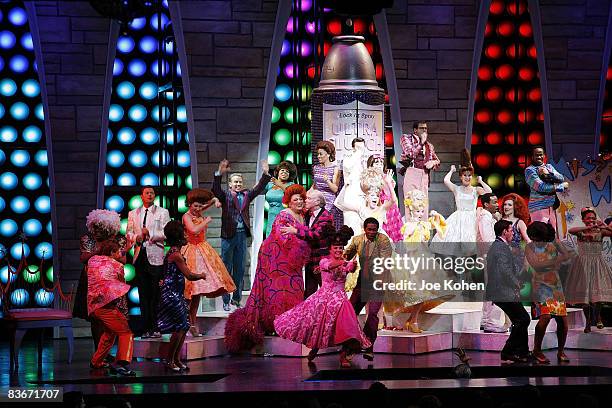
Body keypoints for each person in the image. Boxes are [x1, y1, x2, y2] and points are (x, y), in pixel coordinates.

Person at [224, 185, 311, 352]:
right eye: (295, 199)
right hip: (274, 258)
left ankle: (289, 324)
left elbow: (300, 236)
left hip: (292, 261)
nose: (299, 201)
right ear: (288, 202)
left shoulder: (301, 216)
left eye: (301, 199)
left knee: (294, 290)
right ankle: (277, 324)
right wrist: (300, 235)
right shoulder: (284, 215)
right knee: (278, 292)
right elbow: (282, 237)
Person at [274, 226, 371, 368]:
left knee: (348, 327)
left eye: (340, 248)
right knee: (320, 327)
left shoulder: (344, 262)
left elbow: (349, 268)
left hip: (341, 300)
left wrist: (352, 267)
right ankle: (315, 348)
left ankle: (344, 355)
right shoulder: (324, 261)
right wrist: (346, 263)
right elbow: (332, 265)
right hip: (324, 300)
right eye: (335, 248)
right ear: (330, 249)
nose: (338, 250)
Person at [383, 190, 451, 333]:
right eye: (418, 211)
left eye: (422, 211)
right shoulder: (408, 226)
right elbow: (404, 243)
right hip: (413, 260)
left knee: (426, 292)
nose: (420, 213)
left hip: (426, 260)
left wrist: (437, 216)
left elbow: (442, 233)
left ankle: (412, 320)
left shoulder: (425, 224)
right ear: (411, 211)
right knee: (417, 293)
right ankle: (411, 320)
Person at [213, 159, 272, 311]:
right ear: (230, 184)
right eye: (235, 182)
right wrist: (219, 172)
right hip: (228, 236)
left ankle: (236, 299)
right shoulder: (225, 195)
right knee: (227, 268)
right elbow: (215, 189)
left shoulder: (247, 195)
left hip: (241, 236)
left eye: (240, 182)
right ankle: (225, 300)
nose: (238, 184)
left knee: (239, 269)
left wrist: (265, 173)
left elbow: (259, 188)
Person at [182, 188, 236, 335]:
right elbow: (193, 230)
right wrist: (206, 221)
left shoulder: (198, 211)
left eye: (200, 206)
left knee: (197, 293)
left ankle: (192, 325)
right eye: (195, 206)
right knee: (190, 293)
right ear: (189, 204)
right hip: (191, 251)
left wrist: (214, 200)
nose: (198, 209)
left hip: (202, 250)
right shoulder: (186, 216)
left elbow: (208, 203)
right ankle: (186, 325)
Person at [74, 209, 128, 351]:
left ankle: (106, 352)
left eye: (100, 228)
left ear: (109, 228)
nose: (96, 231)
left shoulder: (119, 240)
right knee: (96, 318)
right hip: (93, 283)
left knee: (112, 318)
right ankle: (98, 352)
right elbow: (84, 258)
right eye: (95, 227)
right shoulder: (88, 239)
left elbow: (123, 260)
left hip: (112, 283)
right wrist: (101, 250)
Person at [158, 221, 206, 372]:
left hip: (176, 293)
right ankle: (169, 360)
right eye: (184, 233)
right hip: (171, 295)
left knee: (184, 326)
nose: (186, 235)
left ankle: (176, 359)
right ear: (178, 236)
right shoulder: (176, 255)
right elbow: (189, 275)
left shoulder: (175, 252)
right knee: (179, 327)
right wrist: (202, 275)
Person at [344, 217, 393, 361]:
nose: (372, 232)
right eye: (369, 229)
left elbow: (384, 260)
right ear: (364, 229)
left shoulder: (383, 240)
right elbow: (346, 254)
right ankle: (352, 345)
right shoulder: (358, 240)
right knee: (350, 312)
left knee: (372, 314)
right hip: (362, 282)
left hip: (378, 281)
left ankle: (368, 346)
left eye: (374, 230)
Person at [429, 149, 492, 257]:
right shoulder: (456, 189)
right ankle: (460, 271)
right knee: (457, 247)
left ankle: (471, 270)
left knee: (471, 247)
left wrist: (481, 181)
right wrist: (451, 171)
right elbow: (446, 181)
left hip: (472, 219)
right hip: (458, 219)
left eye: (469, 175)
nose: (467, 177)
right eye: (465, 175)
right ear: (461, 177)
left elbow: (489, 192)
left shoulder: (475, 190)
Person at [126, 186, 170, 338]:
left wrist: (150, 233)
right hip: (140, 256)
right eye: (147, 193)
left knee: (155, 294)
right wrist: (136, 238)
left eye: (152, 193)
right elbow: (129, 233)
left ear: (154, 196)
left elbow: (166, 233)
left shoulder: (162, 212)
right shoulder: (133, 213)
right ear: (141, 196)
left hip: (155, 256)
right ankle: (145, 328)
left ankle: (156, 327)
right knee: (143, 294)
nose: (150, 195)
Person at [525, 222, 571, 364]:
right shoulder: (529, 247)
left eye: (535, 237)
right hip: (540, 285)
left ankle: (561, 350)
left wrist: (552, 262)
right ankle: (537, 350)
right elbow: (536, 265)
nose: (533, 240)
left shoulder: (554, 243)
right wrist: (554, 262)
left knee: (562, 320)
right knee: (545, 317)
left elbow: (567, 256)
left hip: (555, 286)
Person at [87, 240, 135, 376]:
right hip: (106, 306)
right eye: (118, 251)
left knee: (109, 333)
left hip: (93, 306)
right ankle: (121, 364)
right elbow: (120, 283)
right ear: (112, 253)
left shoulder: (92, 261)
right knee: (126, 332)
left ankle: (96, 361)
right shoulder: (117, 266)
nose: (120, 253)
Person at [485, 220, 530, 363]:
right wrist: (516, 283)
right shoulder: (499, 247)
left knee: (521, 319)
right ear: (504, 231)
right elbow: (504, 270)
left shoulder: (500, 246)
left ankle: (521, 353)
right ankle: (508, 352)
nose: (513, 233)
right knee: (523, 319)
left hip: (503, 291)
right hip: (502, 292)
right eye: (511, 230)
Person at [280, 189, 334, 298]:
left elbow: (316, 235)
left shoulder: (325, 216)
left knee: (326, 290)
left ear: (317, 202)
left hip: (321, 260)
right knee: (309, 292)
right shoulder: (308, 214)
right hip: (310, 260)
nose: (305, 200)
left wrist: (295, 231)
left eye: (309, 198)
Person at [566, 207, 612, 332]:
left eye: (593, 218)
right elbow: (571, 230)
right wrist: (588, 228)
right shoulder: (581, 232)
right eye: (588, 218)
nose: (591, 220)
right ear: (583, 220)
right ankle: (587, 322)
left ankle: (598, 317)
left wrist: (603, 225)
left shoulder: (600, 231)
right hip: (583, 265)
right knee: (585, 299)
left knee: (598, 297)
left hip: (597, 263)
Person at [476, 193, 508, 333]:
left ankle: (485, 321)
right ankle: (490, 322)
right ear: (486, 204)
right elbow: (487, 238)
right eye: (494, 202)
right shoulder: (485, 217)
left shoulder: (489, 216)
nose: (497, 204)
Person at [399, 121, 440, 213]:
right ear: (415, 130)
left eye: (426, 128)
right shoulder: (406, 138)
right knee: (411, 203)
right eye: (422, 128)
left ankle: (423, 226)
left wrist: (432, 162)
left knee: (423, 204)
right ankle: (411, 226)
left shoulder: (429, 145)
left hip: (424, 174)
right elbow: (410, 153)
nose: (424, 130)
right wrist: (421, 142)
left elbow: (437, 160)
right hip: (412, 172)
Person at [524, 146, 568, 232]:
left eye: (541, 155)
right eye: (537, 155)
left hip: (551, 206)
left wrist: (548, 174)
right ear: (532, 157)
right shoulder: (529, 170)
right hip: (538, 206)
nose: (539, 157)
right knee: (540, 234)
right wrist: (561, 187)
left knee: (552, 233)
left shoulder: (549, 167)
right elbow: (541, 187)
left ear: (544, 156)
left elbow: (561, 178)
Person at [368, 155, 403, 243]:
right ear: (371, 165)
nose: (379, 165)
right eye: (376, 163)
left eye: (381, 163)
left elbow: (389, 195)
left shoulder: (386, 177)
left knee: (392, 231)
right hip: (376, 207)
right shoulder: (369, 178)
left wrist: (389, 182)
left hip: (389, 207)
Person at [335, 137, 365, 230]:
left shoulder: (363, 162)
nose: (361, 150)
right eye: (358, 147)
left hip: (362, 196)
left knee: (362, 224)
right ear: (353, 148)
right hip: (351, 195)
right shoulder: (348, 159)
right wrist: (358, 153)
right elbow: (347, 167)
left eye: (362, 147)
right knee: (351, 223)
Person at [312, 140, 342, 229]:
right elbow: (314, 185)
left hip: (329, 204)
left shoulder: (335, 169)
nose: (318, 156)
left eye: (321, 154)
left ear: (328, 154)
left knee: (326, 228)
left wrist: (327, 181)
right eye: (317, 154)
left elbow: (335, 189)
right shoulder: (316, 168)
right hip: (317, 201)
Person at [264, 161, 297, 237]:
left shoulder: (291, 185)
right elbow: (257, 189)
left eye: (287, 171)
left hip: (285, 218)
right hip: (271, 217)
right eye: (282, 170)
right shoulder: (270, 184)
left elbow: (290, 193)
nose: (284, 172)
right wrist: (265, 174)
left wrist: (279, 184)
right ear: (278, 172)